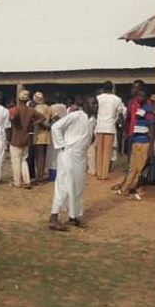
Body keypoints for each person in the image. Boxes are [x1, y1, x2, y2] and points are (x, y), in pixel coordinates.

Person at [48, 96, 95, 231]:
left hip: (81, 157)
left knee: (78, 187)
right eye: (93, 103)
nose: (96, 106)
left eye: (96, 104)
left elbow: (88, 136)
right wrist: (62, 145)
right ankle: (53, 217)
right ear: (85, 105)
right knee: (63, 185)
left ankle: (73, 217)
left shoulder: (92, 120)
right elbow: (56, 127)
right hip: (68, 155)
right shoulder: (76, 115)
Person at [113, 88, 155, 200]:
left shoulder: (148, 110)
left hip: (144, 142)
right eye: (138, 96)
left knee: (140, 168)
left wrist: (151, 146)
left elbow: (151, 127)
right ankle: (126, 188)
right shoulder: (139, 108)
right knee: (132, 167)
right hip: (136, 140)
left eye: (141, 96)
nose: (139, 98)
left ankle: (141, 190)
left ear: (145, 98)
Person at [10, 90, 44, 189]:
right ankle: (27, 180)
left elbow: (12, 117)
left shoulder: (16, 109)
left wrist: (14, 121)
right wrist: (33, 124)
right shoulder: (31, 110)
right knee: (24, 160)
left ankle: (17, 182)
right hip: (26, 137)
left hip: (16, 138)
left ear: (19, 99)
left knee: (16, 161)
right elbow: (42, 118)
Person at [95, 81, 123, 180]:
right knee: (107, 152)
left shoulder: (98, 98)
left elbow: (95, 110)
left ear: (103, 88)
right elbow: (120, 115)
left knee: (99, 151)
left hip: (100, 126)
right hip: (110, 127)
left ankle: (98, 174)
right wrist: (120, 126)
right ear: (112, 89)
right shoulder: (117, 99)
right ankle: (104, 174)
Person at [33, 92, 53, 184]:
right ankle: (41, 175)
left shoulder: (37, 108)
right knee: (43, 156)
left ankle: (39, 177)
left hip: (39, 134)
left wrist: (44, 126)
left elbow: (39, 121)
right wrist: (50, 125)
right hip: (47, 134)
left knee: (39, 156)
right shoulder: (49, 107)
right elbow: (57, 118)